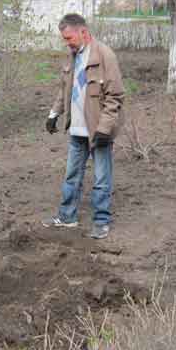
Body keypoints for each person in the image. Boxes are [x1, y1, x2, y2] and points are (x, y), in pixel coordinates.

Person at [43, 13, 125, 240]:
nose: (66, 42)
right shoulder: (72, 56)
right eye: (64, 38)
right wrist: (54, 114)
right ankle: (67, 216)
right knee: (72, 175)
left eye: (69, 37)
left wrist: (104, 128)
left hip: (97, 131)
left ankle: (101, 222)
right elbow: (64, 89)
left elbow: (115, 96)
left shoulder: (104, 55)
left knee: (101, 178)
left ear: (83, 32)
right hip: (77, 129)